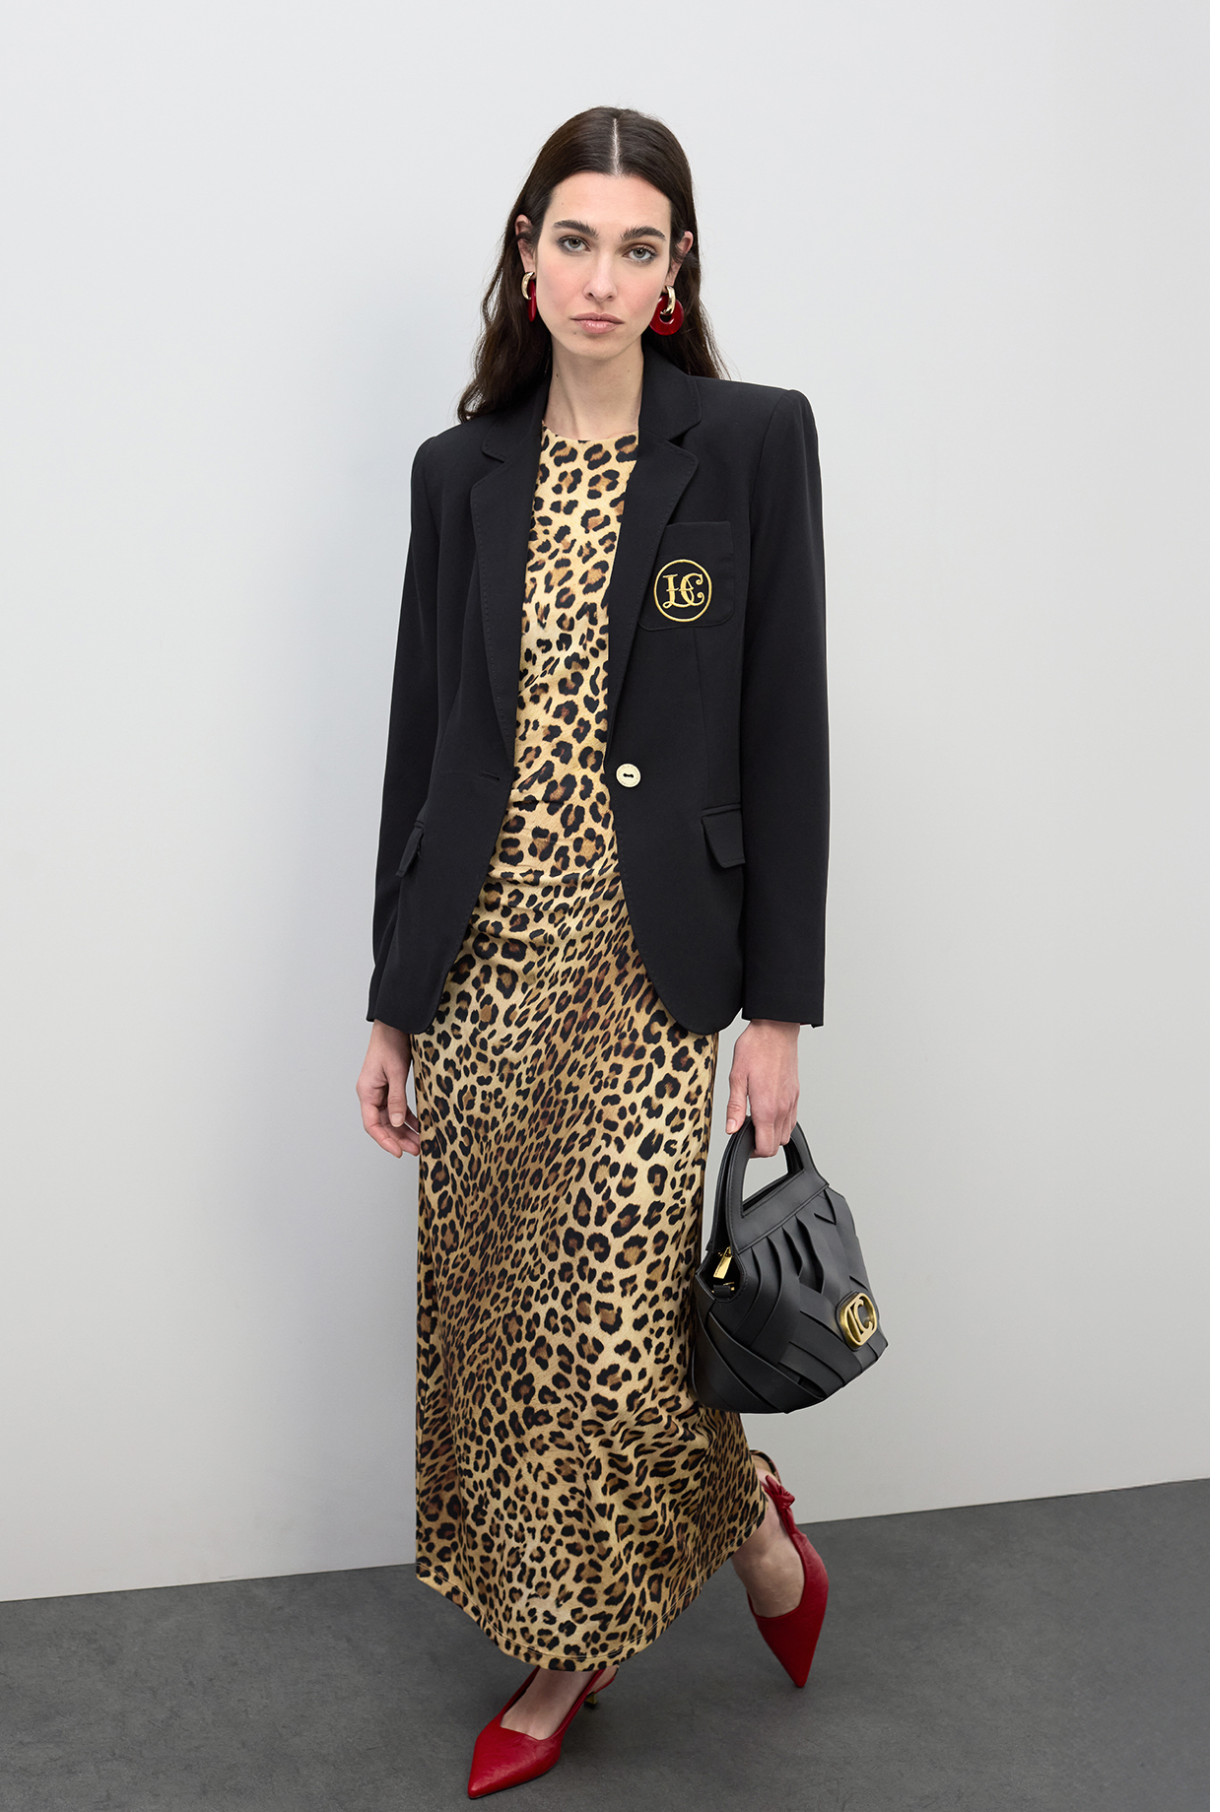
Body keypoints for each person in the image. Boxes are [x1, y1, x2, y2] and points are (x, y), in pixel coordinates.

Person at [356, 105, 830, 1798]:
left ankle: (574, 1652)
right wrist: (391, 1002)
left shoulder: (752, 442)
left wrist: (778, 1013)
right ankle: (748, 1518)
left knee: (617, 1326)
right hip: (484, 958)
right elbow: (423, 743)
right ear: (527, 253)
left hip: (651, 966)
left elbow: (787, 730)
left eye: (639, 247)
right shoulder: (461, 470)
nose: (603, 279)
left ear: (677, 268)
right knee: (502, 1316)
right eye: (575, 241)